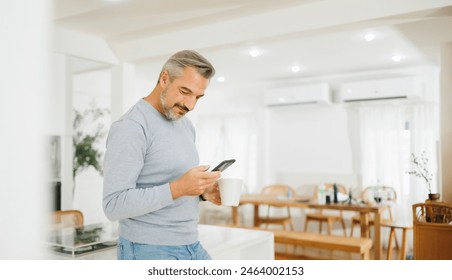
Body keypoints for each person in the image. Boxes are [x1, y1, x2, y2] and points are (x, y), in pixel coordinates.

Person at [103, 50, 221, 260]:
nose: (190, 105)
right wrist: (179, 188)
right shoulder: (132, 127)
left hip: (190, 244)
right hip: (148, 248)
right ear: (164, 78)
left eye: (198, 97)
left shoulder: (185, 125)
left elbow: (168, 183)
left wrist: (201, 192)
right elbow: (114, 205)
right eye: (185, 91)